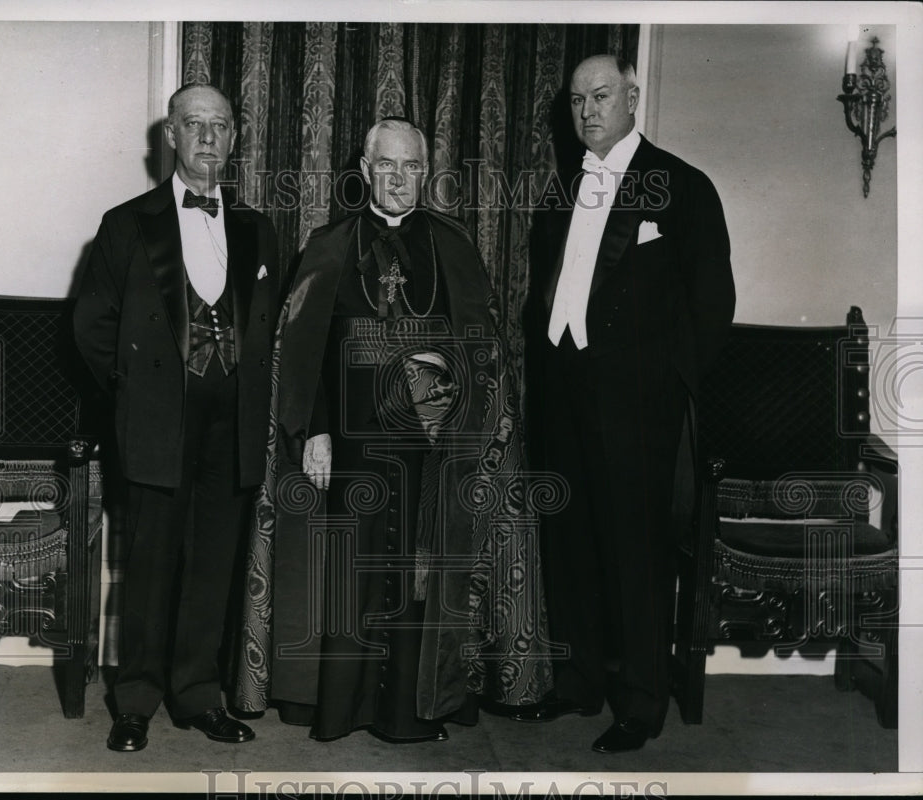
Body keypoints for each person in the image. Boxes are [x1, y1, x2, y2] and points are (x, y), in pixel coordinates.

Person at [232, 118, 552, 742]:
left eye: (411, 167)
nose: (399, 179)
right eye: (387, 166)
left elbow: (481, 346)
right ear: (364, 170)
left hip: (431, 445)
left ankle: (407, 711)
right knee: (350, 575)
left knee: (417, 578)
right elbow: (303, 352)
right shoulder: (328, 246)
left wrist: (458, 422)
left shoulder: (454, 246)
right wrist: (316, 431)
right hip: (351, 443)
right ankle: (340, 709)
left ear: (424, 173)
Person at [518, 55, 735, 753]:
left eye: (602, 95)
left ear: (634, 96)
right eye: (577, 100)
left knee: (638, 558)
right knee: (570, 544)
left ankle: (641, 701)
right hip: (563, 398)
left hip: (639, 412)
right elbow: (546, 292)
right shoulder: (561, 191)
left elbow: (712, 308)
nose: (587, 111)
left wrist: (666, 396)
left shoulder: (684, 188)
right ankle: (578, 682)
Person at [73, 84, 280, 752]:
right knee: (152, 564)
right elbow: (90, 324)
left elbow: (272, 328)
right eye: (195, 124)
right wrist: (136, 394)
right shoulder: (125, 224)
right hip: (158, 422)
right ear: (170, 135)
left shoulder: (258, 228)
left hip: (233, 424)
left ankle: (197, 696)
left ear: (235, 137)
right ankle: (134, 701)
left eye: (220, 126)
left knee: (214, 564)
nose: (208, 137)